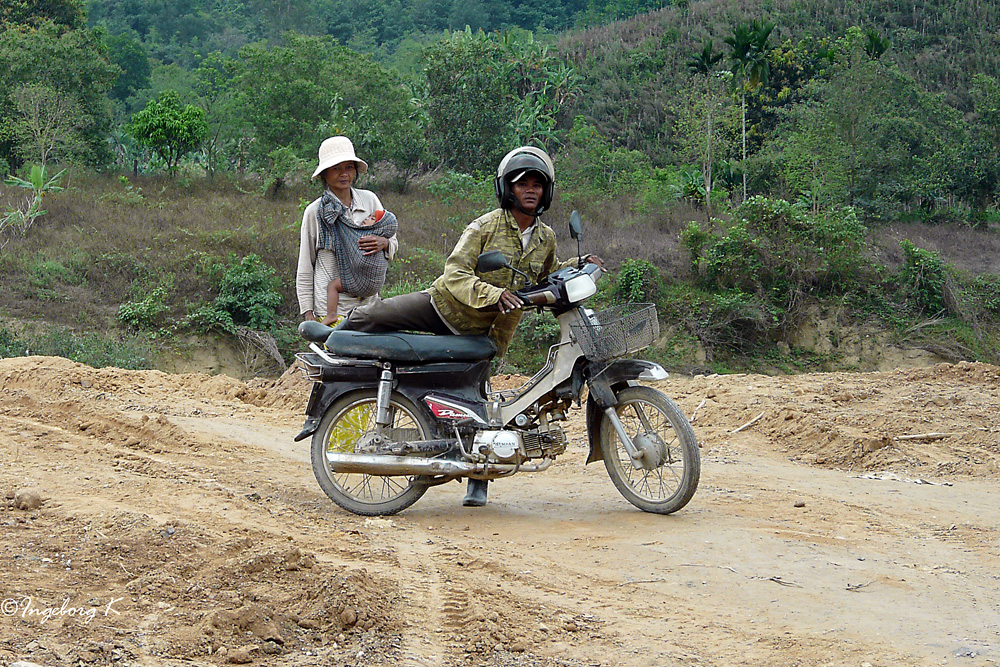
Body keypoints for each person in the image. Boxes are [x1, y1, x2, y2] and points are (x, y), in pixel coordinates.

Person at [337, 146, 603, 507]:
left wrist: (580, 263)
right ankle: (334, 335)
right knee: (377, 314)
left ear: (547, 192)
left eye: (537, 185)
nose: (530, 190)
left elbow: (546, 272)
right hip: (443, 306)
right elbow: (456, 272)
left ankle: (477, 480)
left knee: (480, 406)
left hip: (488, 334)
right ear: (507, 189)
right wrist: (493, 294)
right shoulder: (484, 226)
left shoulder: (546, 238)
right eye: (521, 183)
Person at [296, 136, 398, 325]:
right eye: (336, 168)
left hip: (368, 305)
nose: (344, 174)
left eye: (349, 167)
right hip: (330, 309)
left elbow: (392, 242)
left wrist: (384, 243)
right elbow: (305, 265)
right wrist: (308, 313)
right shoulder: (315, 212)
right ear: (324, 174)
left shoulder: (370, 201)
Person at [321, 208, 398, 326]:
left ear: (380, 225)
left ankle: (331, 314)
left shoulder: (367, 238)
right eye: (369, 216)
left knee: (333, 286)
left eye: (372, 219)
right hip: (374, 288)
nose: (366, 219)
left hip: (362, 284)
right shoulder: (380, 241)